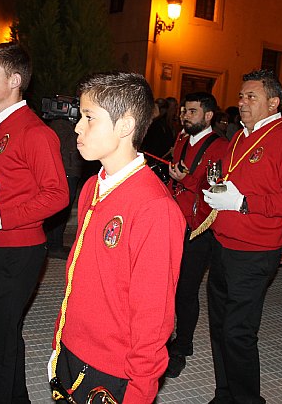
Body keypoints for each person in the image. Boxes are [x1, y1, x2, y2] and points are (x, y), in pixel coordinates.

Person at [48, 72, 186, 403]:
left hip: (111, 370)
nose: (78, 127)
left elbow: (153, 320)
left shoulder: (155, 209)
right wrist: (59, 342)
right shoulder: (93, 187)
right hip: (72, 350)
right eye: (80, 116)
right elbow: (78, 278)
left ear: (124, 126)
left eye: (89, 117)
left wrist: (139, 393)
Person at [202, 69, 282, 403]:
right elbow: (229, 175)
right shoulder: (239, 135)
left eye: (251, 96)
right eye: (240, 96)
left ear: (273, 101)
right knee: (220, 327)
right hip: (222, 245)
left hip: (254, 252)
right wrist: (217, 190)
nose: (242, 102)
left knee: (238, 333)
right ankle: (225, 394)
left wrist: (244, 202)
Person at [0, 42, 69, 403]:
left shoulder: (34, 132)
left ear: (14, 80)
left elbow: (57, 194)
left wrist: (0, 219)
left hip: (18, 250)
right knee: (1, 333)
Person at [164, 91, 228, 378]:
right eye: (184, 111)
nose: (185, 116)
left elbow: (218, 192)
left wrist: (185, 179)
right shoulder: (180, 139)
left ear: (209, 115)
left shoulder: (221, 147)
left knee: (186, 290)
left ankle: (183, 345)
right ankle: (163, 335)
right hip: (173, 221)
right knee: (166, 285)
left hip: (199, 228)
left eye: (192, 112)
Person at [44, 115, 84, 260]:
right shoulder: (61, 125)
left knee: (62, 211)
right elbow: (69, 147)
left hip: (68, 171)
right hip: (66, 171)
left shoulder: (62, 124)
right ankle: (54, 246)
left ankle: (54, 244)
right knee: (61, 211)